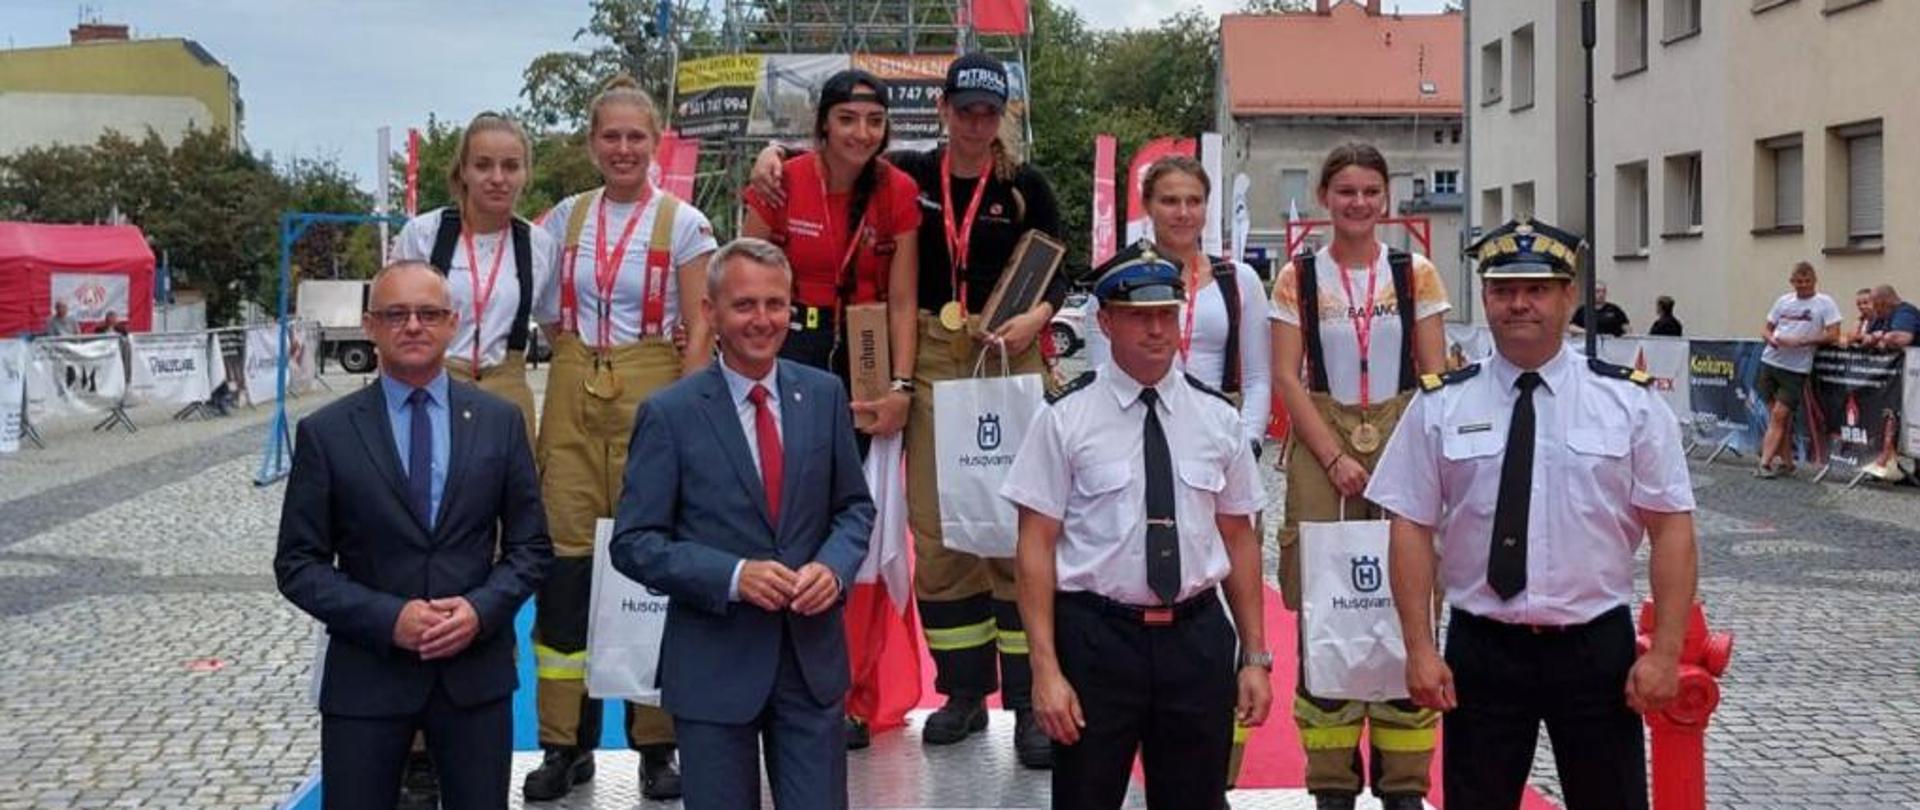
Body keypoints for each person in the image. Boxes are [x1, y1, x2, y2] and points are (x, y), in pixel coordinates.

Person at [752, 53, 1068, 761]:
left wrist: (1038, 316)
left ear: (1001, 117)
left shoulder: (1025, 187)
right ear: (946, 111)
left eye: (989, 113)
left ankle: (1025, 702)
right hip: (929, 352)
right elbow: (830, 173)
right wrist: (773, 154)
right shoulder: (911, 179)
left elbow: (1061, 267)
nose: (975, 123)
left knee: (1017, 525)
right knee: (939, 528)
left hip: (1006, 351)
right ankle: (961, 693)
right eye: (964, 110)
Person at [1366, 217, 1699, 810]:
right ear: (1486, 297)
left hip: (1595, 647)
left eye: (1538, 289)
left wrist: (1667, 651)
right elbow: (1411, 526)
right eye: (1502, 290)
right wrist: (1418, 646)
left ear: (1569, 296)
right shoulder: (1442, 402)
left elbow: (1671, 526)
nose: (1519, 304)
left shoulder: (1628, 402)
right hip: (1483, 648)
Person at [273, 261, 552, 810]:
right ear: (370, 326)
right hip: (367, 677)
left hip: (474, 676)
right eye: (395, 314)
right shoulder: (326, 434)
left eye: (428, 313)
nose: (413, 326)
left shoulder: (499, 422)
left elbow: (531, 548)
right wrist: (388, 619)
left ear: (453, 323)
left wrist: (479, 610)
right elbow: (298, 565)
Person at [610, 237, 876, 810]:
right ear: (710, 313)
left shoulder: (826, 395)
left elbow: (855, 508)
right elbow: (634, 543)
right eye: (745, 305)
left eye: (775, 304)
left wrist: (832, 569)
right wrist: (733, 576)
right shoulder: (670, 414)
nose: (763, 320)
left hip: (810, 667)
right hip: (713, 669)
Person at [1002, 251, 1271, 810]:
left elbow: (1240, 539)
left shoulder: (1217, 417)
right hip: (1098, 640)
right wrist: (1045, 671)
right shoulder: (1065, 418)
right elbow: (1034, 547)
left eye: (1167, 315)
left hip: (1195, 639)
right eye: (1137, 316)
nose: (1156, 330)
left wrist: (1254, 656)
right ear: (1104, 322)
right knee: (1085, 797)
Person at [524, 74, 719, 802]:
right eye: (611, 135)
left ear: (656, 143)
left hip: (654, 390)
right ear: (591, 143)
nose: (624, 148)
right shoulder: (562, 221)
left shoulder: (686, 222)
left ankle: (656, 744)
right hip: (577, 389)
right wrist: (580, 354)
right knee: (566, 568)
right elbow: (548, 313)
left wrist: (683, 403)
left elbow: (701, 323)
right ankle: (562, 742)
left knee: (648, 565)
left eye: (637, 136)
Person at [1267, 142, 1448, 810]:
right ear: (1325, 198)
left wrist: (1405, 461)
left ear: (1387, 199)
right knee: (1326, 601)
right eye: (1346, 191)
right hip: (1324, 444)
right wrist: (1335, 456)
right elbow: (1288, 376)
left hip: (1404, 437)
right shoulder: (1297, 277)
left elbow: (1434, 377)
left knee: (1412, 603)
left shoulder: (1417, 273)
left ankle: (1404, 782)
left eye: (1371, 191)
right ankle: (1332, 782)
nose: (1359, 203)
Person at [742, 68, 917, 442]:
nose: (862, 133)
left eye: (875, 121)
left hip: (867, 345)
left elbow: (903, 302)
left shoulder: (898, 190)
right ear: (824, 124)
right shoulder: (780, 181)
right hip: (789, 340)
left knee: (855, 473)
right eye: (847, 119)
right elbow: (741, 283)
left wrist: (902, 386)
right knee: (786, 466)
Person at [1085, 156, 1272, 458]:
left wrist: (1248, 443)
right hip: (1139, 432)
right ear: (1148, 206)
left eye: (1194, 201)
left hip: (1219, 434)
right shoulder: (1113, 284)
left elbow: (1258, 378)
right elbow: (1101, 374)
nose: (1183, 213)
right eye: (1170, 201)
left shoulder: (1240, 279)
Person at [392, 111, 558, 445]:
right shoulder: (424, 234)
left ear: (525, 173)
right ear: (463, 171)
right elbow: (390, 323)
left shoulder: (540, 246)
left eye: (511, 166)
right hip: (433, 384)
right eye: (483, 165)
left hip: (507, 392)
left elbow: (559, 332)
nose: (497, 178)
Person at [1754, 261, 1841, 479]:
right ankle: (1787, 462)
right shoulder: (1783, 301)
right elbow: (1765, 328)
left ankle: (1764, 463)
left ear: (1814, 281)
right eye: (1798, 282)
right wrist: (1771, 340)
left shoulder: (1824, 303)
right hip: (1770, 362)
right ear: (1792, 282)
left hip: (1796, 369)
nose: (1803, 286)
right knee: (1778, 418)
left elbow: (1833, 334)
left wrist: (1803, 341)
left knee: (1779, 416)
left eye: (1807, 281)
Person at [1860, 284, 1920, 350]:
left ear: (1884, 302)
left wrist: (1879, 337)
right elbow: (1866, 338)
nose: (1874, 308)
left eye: (1875, 305)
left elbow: (1902, 338)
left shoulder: (1904, 312)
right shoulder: (1883, 316)